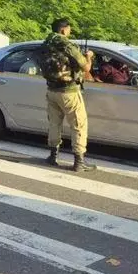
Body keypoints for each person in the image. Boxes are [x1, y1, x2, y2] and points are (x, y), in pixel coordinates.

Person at [38, 18, 96, 172]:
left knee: (54, 123)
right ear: (63, 30)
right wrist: (89, 56)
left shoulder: (46, 44)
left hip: (51, 89)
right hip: (69, 91)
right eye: (69, 29)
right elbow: (85, 67)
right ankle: (79, 161)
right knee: (79, 125)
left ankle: (53, 156)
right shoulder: (67, 45)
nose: (69, 31)